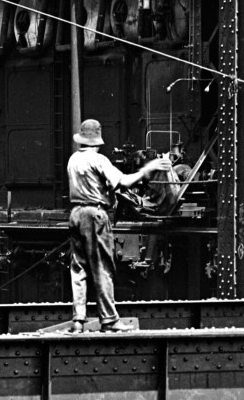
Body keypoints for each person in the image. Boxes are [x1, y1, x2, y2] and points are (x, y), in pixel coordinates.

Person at [67, 118, 171, 333]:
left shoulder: (73, 160)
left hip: (75, 213)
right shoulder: (99, 160)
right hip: (95, 214)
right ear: (97, 139)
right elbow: (123, 182)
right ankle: (110, 320)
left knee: (78, 268)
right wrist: (149, 168)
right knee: (102, 267)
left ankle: (78, 320)